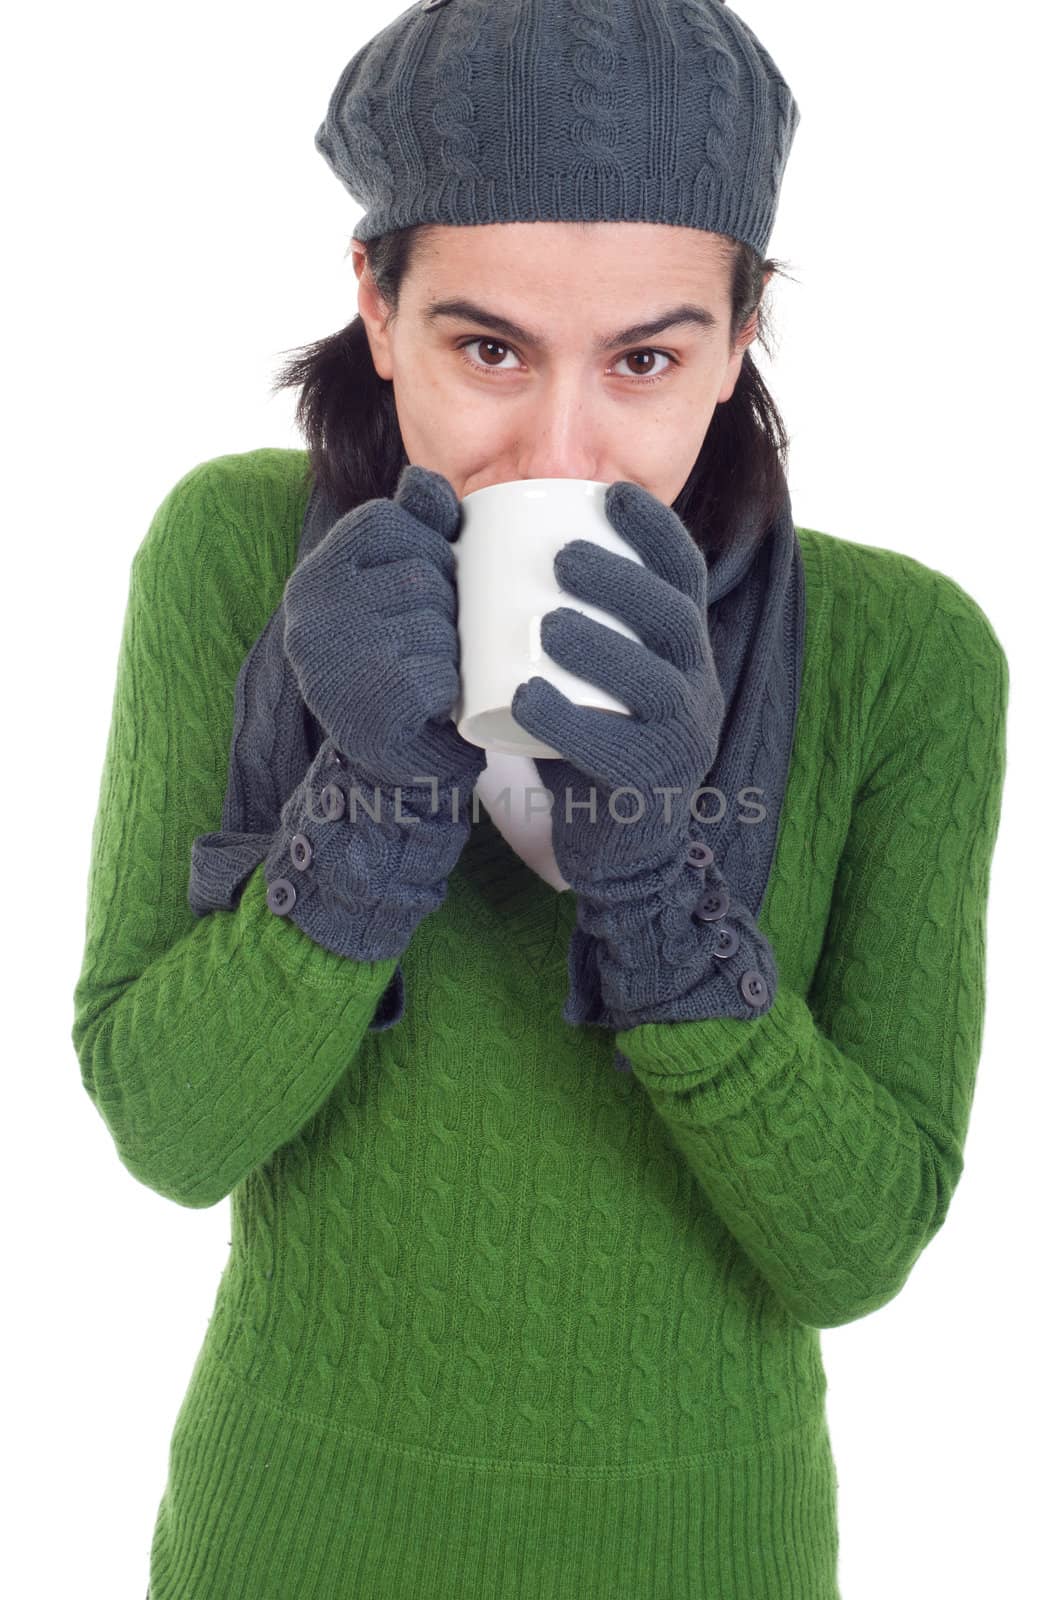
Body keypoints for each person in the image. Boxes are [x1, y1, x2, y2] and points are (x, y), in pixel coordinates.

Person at [70, 2, 1009, 1596]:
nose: (558, 447)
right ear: (375, 304)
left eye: (647, 357)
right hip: (288, 1543)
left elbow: (854, 1252)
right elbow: (169, 1132)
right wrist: (369, 799)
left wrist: (655, 881)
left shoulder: (906, 658)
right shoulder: (240, 557)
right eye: (486, 347)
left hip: (705, 1554)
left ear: (741, 335)